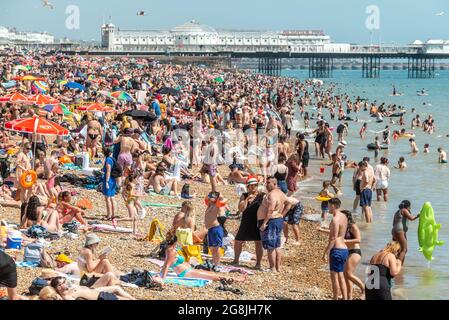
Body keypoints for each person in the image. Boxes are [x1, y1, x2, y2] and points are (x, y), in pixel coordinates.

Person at [154, 235, 245, 283]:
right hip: (186, 273)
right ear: (175, 242)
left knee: (211, 274)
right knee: (214, 276)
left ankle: (233, 278)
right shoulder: (171, 251)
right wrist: (162, 278)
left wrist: (160, 274)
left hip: (188, 270)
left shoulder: (170, 249)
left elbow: (167, 264)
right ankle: (236, 279)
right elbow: (166, 265)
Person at [233, 176, 264, 268]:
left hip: (257, 221)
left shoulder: (262, 195)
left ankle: (258, 263)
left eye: (254, 185)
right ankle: (235, 260)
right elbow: (241, 209)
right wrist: (246, 200)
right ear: (248, 186)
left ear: (257, 185)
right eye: (251, 185)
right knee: (238, 240)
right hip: (246, 220)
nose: (253, 187)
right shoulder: (244, 195)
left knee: (258, 242)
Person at [257, 176, 286, 272]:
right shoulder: (281, 193)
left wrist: (264, 223)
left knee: (270, 246)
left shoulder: (272, 195)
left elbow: (270, 209)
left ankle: (272, 267)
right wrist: (281, 214)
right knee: (277, 245)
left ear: (274, 183)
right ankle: (278, 267)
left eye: (268, 182)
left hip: (271, 221)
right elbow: (287, 203)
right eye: (266, 182)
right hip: (277, 220)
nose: (266, 184)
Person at [322, 198, 349, 300]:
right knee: (341, 275)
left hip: (337, 250)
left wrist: (325, 252)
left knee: (334, 276)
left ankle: (335, 298)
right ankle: (345, 298)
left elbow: (333, 237)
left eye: (328, 206)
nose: (327, 208)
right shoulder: (344, 216)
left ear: (333, 205)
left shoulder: (335, 219)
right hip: (344, 249)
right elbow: (339, 234)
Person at [341, 210, 364, 300]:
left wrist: (346, 241)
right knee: (346, 275)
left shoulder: (353, 226)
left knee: (348, 274)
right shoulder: (344, 227)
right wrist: (322, 230)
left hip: (355, 251)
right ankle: (348, 296)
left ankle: (363, 289)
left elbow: (359, 240)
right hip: (347, 251)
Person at [50, 276, 134, 300]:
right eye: (64, 282)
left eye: (65, 280)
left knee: (117, 288)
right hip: (101, 297)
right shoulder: (67, 297)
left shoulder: (69, 289)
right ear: (59, 287)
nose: (66, 282)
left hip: (94, 290)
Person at [391, 200, 419, 264]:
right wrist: (419, 215)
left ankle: (393, 263)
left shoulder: (397, 212)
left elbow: (393, 223)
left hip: (394, 231)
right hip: (400, 231)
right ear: (408, 206)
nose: (410, 208)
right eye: (410, 206)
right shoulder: (404, 210)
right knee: (404, 249)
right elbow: (411, 218)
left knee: (396, 249)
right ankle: (398, 265)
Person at [204, 191, 225, 266]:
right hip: (210, 229)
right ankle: (215, 263)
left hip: (216, 228)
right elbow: (206, 199)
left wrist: (218, 194)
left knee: (216, 248)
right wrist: (210, 194)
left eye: (211, 197)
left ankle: (218, 264)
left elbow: (222, 199)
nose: (210, 198)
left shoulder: (216, 205)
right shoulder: (209, 204)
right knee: (212, 248)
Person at [102, 147, 117, 220]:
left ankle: (109, 215)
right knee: (112, 197)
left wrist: (107, 182)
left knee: (107, 198)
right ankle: (113, 215)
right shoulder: (112, 159)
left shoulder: (108, 160)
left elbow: (108, 171)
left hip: (109, 180)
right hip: (113, 179)